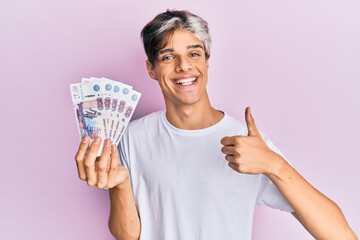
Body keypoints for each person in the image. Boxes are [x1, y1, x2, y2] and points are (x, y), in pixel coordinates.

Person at [74, 10, 357, 240]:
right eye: (168, 57)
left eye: (194, 53)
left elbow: (340, 235)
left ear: (207, 61)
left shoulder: (247, 144)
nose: (184, 66)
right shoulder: (131, 138)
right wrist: (121, 185)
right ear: (152, 69)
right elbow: (128, 236)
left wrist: (275, 165)